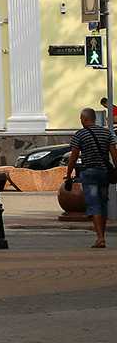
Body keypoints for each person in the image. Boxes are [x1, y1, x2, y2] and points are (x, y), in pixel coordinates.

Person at [65, 106, 117, 248]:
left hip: (89, 174)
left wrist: (68, 174)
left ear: (85, 119)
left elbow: (73, 157)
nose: (80, 120)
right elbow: (114, 154)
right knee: (103, 203)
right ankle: (102, 236)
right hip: (104, 173)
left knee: (94, 204)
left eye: (81, 118)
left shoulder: (80, 134)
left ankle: (100, 238)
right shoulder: (107, 133)